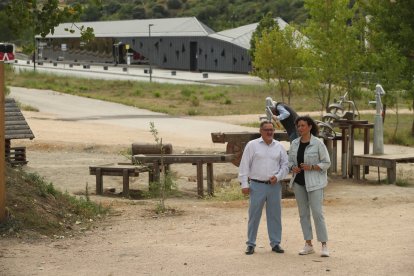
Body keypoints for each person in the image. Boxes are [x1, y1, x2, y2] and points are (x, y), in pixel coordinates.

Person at [238, 120, 289, 255]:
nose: (269, 132)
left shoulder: (279, 146)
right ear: (261, 131)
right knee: (254, 216)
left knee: (275, 216)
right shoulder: (252, 145)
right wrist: (244, 184)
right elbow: (244, 165)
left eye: (271, 129)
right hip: (256, 185)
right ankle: (250, 244)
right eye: (266, 129)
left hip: (274, 186)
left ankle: (276, 243)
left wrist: (278, 177)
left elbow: (285, 165)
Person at [288, 115, 331, 257]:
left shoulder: (318, 144)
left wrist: (312, 166)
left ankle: (324, 245)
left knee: (318, 214)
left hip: (315, 184)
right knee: (303, 214)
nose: (300, 128)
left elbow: (326, 163)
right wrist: (292, 167)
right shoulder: (294, 143)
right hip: (298, 183)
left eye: (303, 126)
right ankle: (308, 244)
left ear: (310, 127)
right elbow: (289, 162)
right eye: (298, 126)